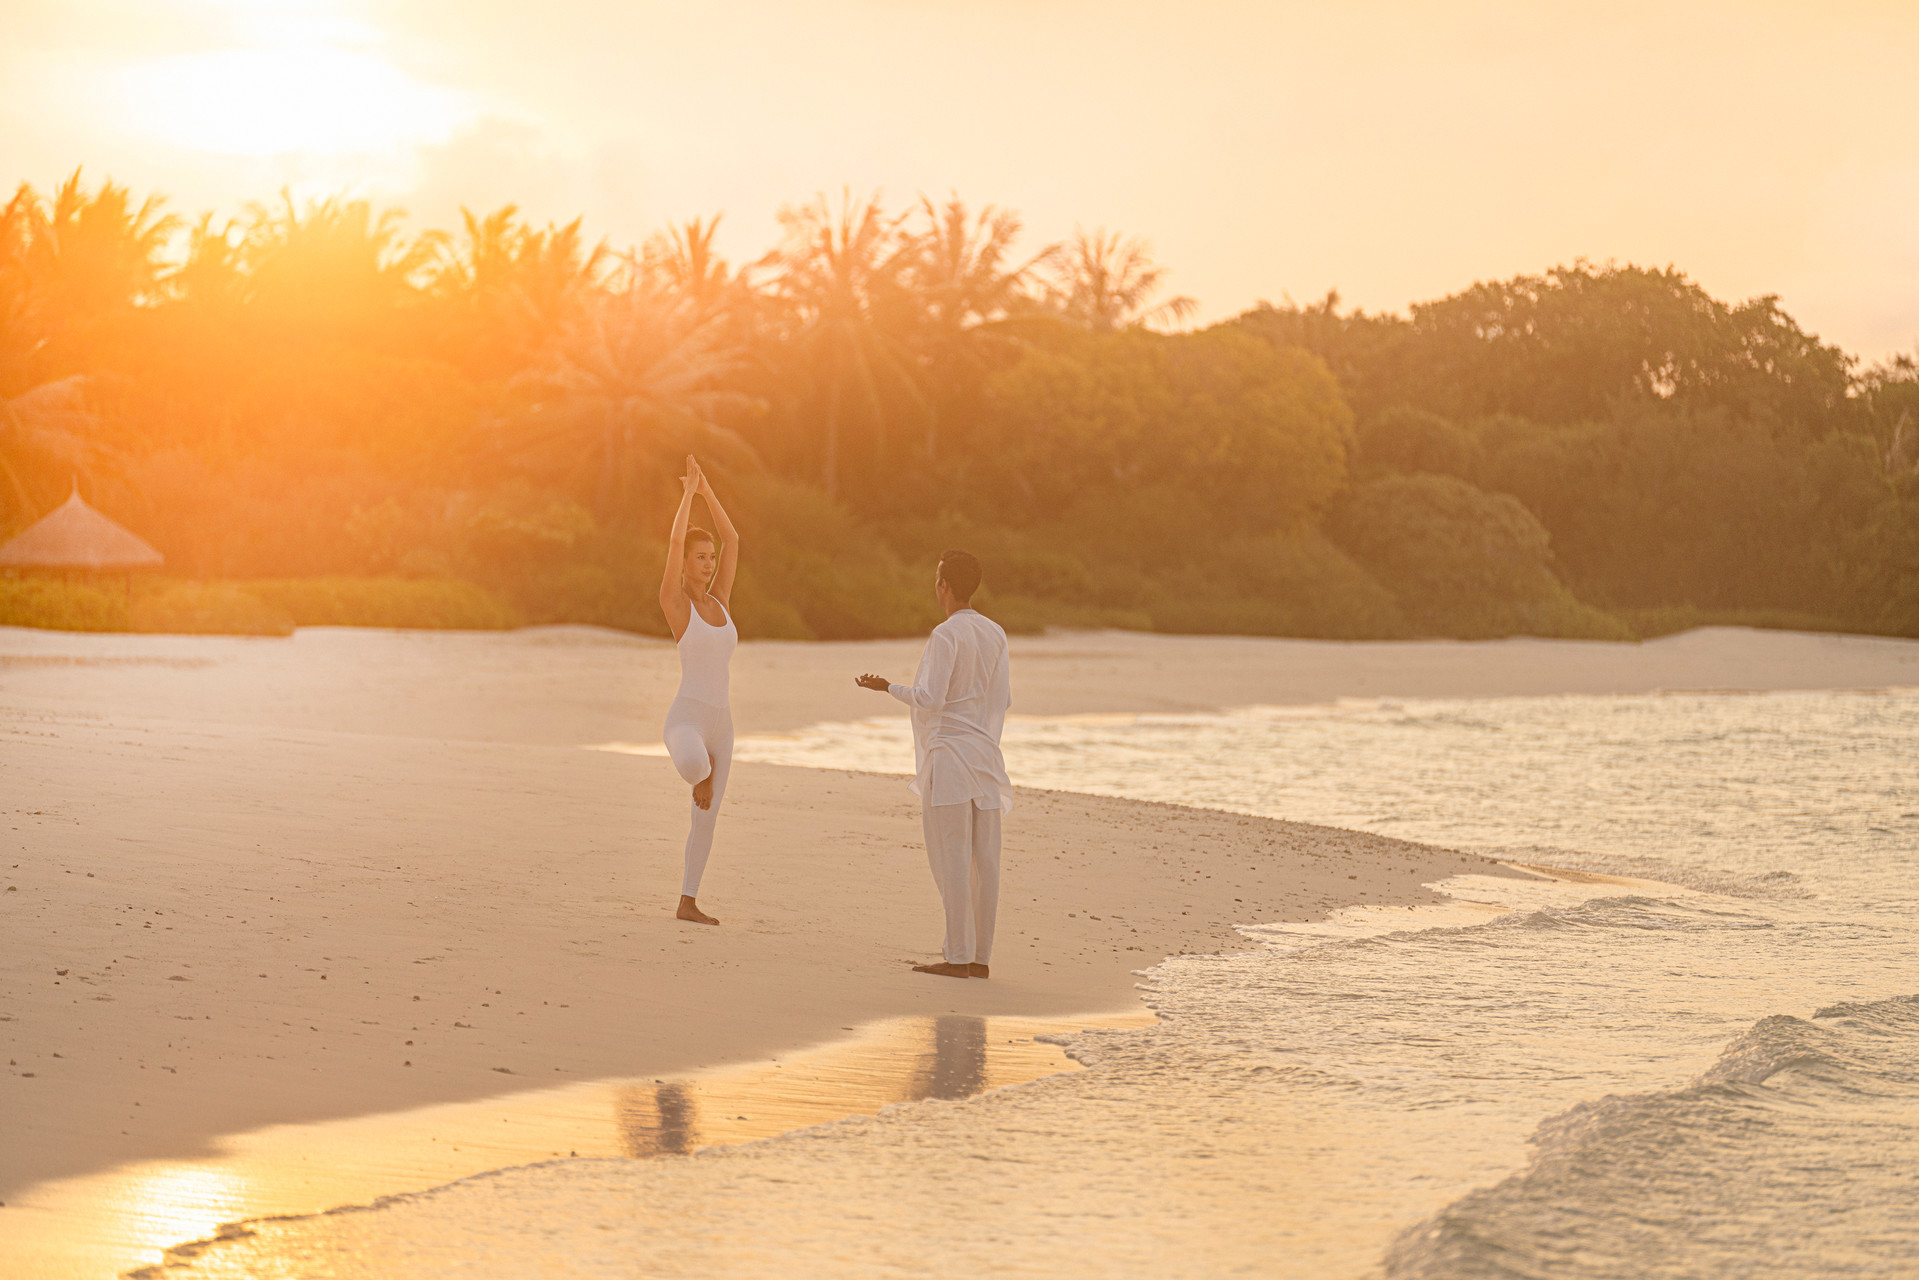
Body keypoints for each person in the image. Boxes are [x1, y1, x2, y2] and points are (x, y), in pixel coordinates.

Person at [856, 550, 1012, 979]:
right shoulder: (995, 632)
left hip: (950, 758)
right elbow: (1000, 700)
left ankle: (957, 957)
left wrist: (888, 687)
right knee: (987, 862)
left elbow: (930, 699)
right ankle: (979, 958)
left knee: (953, 859)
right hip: (984, 757)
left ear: (944, 585)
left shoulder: (946, 635)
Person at [658, 455, 739, 926]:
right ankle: (701, 772)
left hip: (722, 723)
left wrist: (709, 492)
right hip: (686, 720)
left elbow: (733, 538)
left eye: (710, 559)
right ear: (685, 564)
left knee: (706, 819)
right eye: (700, 558)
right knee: (694, 766)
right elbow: (673, 540)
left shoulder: (721, 602)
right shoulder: (675, 603)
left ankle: (688, 901)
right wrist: (688, 495)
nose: (708, 565)